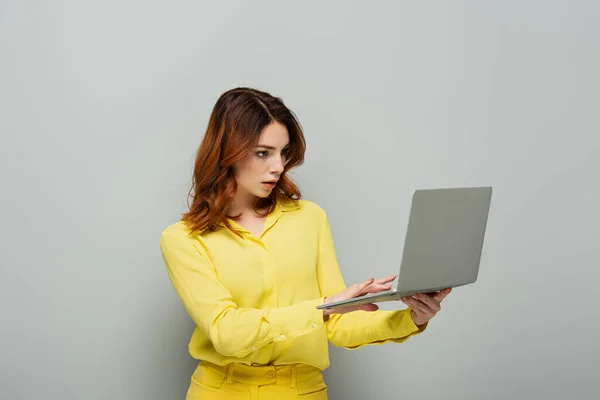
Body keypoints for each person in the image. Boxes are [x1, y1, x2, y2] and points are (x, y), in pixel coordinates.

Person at [159, 87, 451, 400]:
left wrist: (410, 317)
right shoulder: (183, 239)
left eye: (283, 153)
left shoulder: (310, 219)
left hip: (302, 391)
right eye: (263, 153)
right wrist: (322, 309)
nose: (278, 166)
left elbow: (338, 324)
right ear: (227, 151)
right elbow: (227, 333)